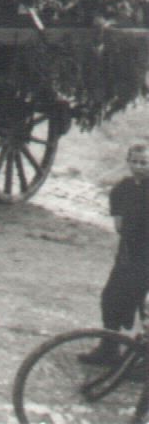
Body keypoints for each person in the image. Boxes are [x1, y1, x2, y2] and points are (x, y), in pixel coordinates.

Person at [79, 142, 149, 366]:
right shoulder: (121, 190)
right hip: (129, 253)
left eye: (144, 162)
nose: (139, 166)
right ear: (128, 162)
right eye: (135, 162)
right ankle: (109, 349)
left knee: (143, 307)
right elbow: (119, 225)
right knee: (111, 298)